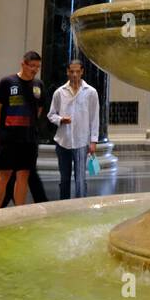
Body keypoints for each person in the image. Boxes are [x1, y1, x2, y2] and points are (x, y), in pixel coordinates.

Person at [0, 51, 44, 209]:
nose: (34, 70)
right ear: (23, 64)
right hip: (9, 138)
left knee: (24, 174)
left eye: (37, 67)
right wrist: (3, 131)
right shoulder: (7, 82)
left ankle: (19, 212)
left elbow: (38, 110)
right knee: (4, 174)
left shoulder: (39, 85)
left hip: (29, 139)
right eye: (31, 66)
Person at [48, 59, 99, 200]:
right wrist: (60, 120)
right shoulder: (59, 92)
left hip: (82, 142)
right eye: (72, 71)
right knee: (64, 179)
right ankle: (64, 205)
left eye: (77, 71)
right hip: (63, 141)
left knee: (80, 179)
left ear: (82, 71)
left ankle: (81, 206)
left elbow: (95, 118)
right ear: (67, 72)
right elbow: (51, 114)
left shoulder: (91, 92)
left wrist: (93, 141)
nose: (75, 74)